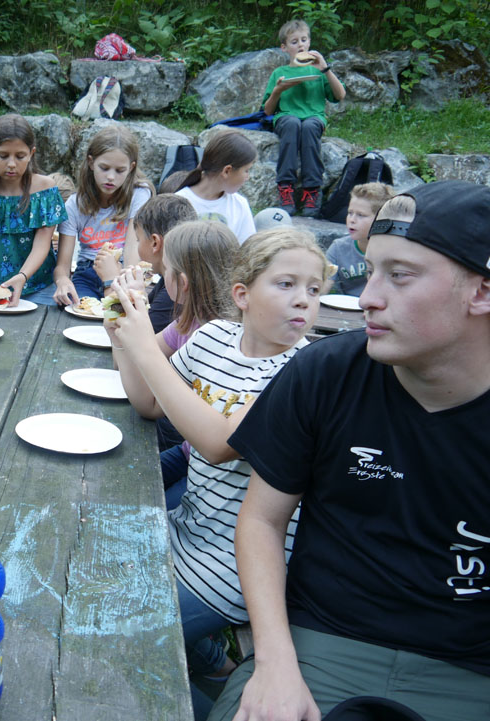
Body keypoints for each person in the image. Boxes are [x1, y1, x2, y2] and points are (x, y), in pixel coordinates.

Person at [209, 180, 490, 721]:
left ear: (480, 292)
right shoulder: (327, 372)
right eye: (372, 269)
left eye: (400, 276)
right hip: (319, 646)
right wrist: (273, 664)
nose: (367, 297)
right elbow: (262, 521)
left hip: (470, 672)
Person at [109, 227, 334, 721]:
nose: (304, 301)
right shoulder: (213, 339)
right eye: (286, 284)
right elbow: (148, 403)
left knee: (118, 633)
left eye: (314, 289)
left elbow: (218, 442)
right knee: (91, 558)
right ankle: (214, 662)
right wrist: (120, 336)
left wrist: (146, 345)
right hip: (187, 530)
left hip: (235, 569)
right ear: (242, 294)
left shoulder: (303, 372)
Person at [110, 220, 239, 506]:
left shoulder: (224, 337)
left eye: (164, 269)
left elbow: (151, 404)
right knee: (117, 487)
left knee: (149, 510)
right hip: (188, 452)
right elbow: (147, 404)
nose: (160, 275)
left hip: (217, 474)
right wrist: (120, 334)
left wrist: (136, 338)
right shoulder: (187, 323)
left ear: (182, 282)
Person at [0, 114, 67, 306]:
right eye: (3, 156)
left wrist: (22, 276)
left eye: (20, 156)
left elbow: (43, 243)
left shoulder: (44, 189)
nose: (11, 164)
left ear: (31, 154)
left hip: (38, 288)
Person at [53, 125, 153, 304]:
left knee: (119, 312)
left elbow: (132, 247)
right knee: (82, 312)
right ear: (91, 163)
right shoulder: (74, 205)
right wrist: (63, 281)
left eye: (119, 170)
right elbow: (63, 265)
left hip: (123, 270)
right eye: (104, 168)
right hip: (87, 273)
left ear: (131, 168)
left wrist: (125, 280)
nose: (111, 177)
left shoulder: (139, 194)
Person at [263, 18, 346, 217]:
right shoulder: (280, 72)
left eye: (304, 40)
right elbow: (267, 110)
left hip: (314, 117)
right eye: (294, 42)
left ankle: (312, 190)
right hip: (286, 117)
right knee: (291, 123)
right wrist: (278, 90)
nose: (301, 45)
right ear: (284, 48)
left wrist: (325, 68)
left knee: (309, 127)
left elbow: (340, 96)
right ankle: (285, 187)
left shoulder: (318, 70)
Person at [161, 130, 258, 244]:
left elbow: (247, 252)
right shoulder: (177, 203)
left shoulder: (240, 205)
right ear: (227, 171)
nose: (248, 177)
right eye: (246, 170)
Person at [130, 193, 198, 332]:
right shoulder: (166, 278)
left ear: (155, 242)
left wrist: (110, 280)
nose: (138, 245)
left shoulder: (174, 290)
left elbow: (141, 338)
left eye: (138, 239)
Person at [325, 182, 395, 295]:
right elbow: (324, 283)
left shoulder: (395, 251)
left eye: (361, 215)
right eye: (350, 213)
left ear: (382, 219)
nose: (352, 220)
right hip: (347, 309)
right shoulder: (338, 248)